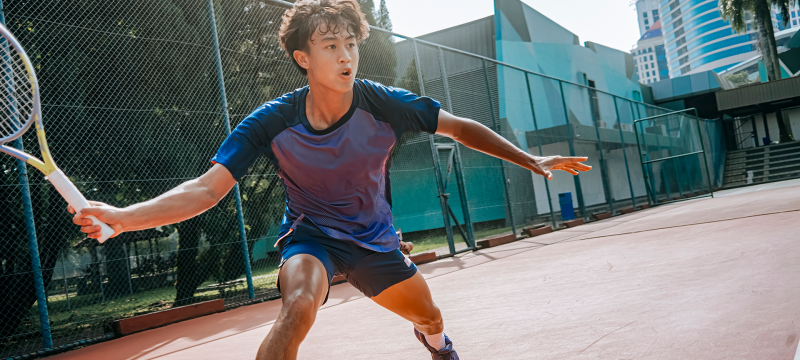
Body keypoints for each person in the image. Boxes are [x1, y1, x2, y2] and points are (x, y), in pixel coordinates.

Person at [69, 1, 590, 359]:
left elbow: (461, 126)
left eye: (350, 45)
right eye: (330, 46)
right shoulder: (272, 121)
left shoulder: (383, 102)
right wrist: (120, 217)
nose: (345, 56)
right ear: (303, 58)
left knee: (430, 318)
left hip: (375, 243)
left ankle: (436, 345)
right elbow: (207, 189)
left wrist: (533, 161)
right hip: (311, 238)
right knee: (298, 306)